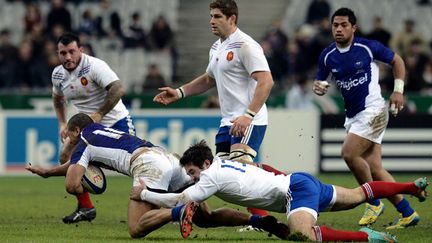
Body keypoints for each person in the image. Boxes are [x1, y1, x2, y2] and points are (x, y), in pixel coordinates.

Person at [26, 113, 288, 239]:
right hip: (167, 158)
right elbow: (74, 165)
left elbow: (73, 183)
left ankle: (177, 213)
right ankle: (260, 222)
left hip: (148, 166)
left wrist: (79, 177)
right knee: (206, 219)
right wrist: (47, 172)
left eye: (68, 135)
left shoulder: (82, 141)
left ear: (74, 130)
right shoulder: (100, 133)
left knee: (136, 229)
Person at [131, 140, 429, 242]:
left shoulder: (210, 177)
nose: (193, 179)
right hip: (299, 181)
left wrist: (145, 195)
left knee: (302, 234)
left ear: (204, 164)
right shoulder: (220, 165)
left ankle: (367, 238)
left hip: (294, 191)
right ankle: (410, 187)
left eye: (193, 172)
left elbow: (180, 200)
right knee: (358, 195)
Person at [153, 0, 276, 219]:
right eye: (211, 16)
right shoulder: (216, 47)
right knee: (218, 178)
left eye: (217, 16)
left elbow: (266, 81)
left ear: (232, 19)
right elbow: (209, 79)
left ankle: (261, 219)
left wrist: (248, 115)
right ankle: (272, 189)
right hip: (227, 122)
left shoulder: (246, 46)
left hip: (248, 120)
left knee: (241, 174)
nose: (212, 21)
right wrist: (179, 93)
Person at [312, 7, 418, 229]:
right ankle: (407, 213)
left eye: (343, 25)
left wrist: (398, 90)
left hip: (374, 110)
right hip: (353, 116)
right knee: (375, 168)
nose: (338, 29)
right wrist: (319, 87)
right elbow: (320, 81)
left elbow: (397, 61)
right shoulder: (327, 55)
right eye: (335, 25)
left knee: (349, 153)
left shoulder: (367, 47)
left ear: (353, 27)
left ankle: (373, 201)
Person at [51, 33, 135, 224]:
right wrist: (63, 123)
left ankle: (169, 200)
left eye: (72, 51)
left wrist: (99, 114)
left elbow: (118, 89)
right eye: (63, 53)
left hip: (116, 122)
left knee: (134, 165)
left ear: (80, 50)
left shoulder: (94, 66)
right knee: (66, 157)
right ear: (58, 54)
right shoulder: (57, 74)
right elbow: (57, 100)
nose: (68, 57)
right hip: (88, 129)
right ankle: (86, 207)